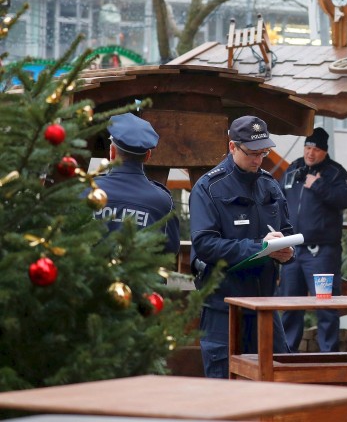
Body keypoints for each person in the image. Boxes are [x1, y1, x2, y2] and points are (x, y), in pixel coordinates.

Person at [189, 115, 295, 378]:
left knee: (277, 386)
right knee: (224, 391)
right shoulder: (208, 187)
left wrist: (286, 253)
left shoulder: (270, 184)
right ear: (232, 146)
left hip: (265, 307)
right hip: (223, 309)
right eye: (252, 153)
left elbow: (289, 232)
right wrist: (259, 248)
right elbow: (204, 245)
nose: (259, 160)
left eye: (264, 152)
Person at [279, 127, 347, 352]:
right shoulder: (293, 169)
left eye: (316, 149)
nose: (311, 153)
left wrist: (319, 186)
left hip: (321, 252)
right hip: (291, 251)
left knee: (326, 307)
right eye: (308, 147)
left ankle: (328, 357)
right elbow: (278, 198)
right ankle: (286, 355)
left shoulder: (335, 172)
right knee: (290, 306)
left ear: (325, 151)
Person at [93, 113, 179, 254]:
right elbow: (170, 251)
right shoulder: (163, 201)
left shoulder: (87, 191)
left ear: (112, 152)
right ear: (147, 156)